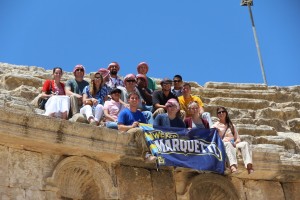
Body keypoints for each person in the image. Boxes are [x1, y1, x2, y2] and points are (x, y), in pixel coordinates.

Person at [213, 106, 254, 174]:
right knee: (228, 144)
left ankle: (249, 165)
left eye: (223, 111)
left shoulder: (231, 125)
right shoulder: (215, 126)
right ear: (217, 115)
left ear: (226, 113)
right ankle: (233, 166)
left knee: (245, 144)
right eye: (219, 112)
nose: (221, 113)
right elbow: (213, 139)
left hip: (233, 143)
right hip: (222, 144)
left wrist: (235, 143)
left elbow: (237, 138)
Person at [117, 92, 156, 162]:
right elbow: (120, 127)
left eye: (136, 98)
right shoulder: (124, 112)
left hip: (138, 134)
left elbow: (146, 127)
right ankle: (146, 155)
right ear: (128, 100)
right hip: (127, 133)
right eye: (132, 98)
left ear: (138, 101)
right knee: (138, 130)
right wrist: (131, 126)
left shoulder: (140, 114)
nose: (134, 100)